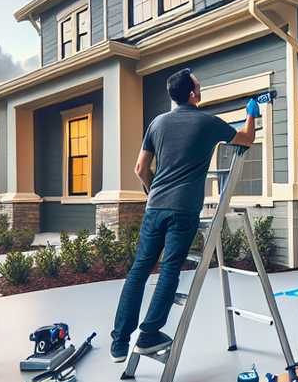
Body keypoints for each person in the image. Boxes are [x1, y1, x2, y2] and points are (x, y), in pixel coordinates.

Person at [110, 67, 257, 362]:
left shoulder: (157, 123)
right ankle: (149, 333)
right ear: (192, 94)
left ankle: (119, 341)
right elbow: (246, 139)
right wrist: (252, 113)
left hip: (154, 208)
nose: (200, 88)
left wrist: (155, 194)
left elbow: (140, 169)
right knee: (169, 271)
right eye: (198, 86)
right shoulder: (208, 123)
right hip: (183, 211)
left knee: (139, 270)